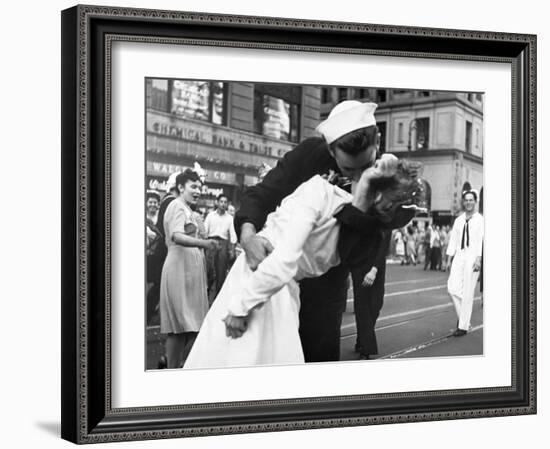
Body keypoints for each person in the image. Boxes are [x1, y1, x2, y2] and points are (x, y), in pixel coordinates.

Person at [184, 158, 423, 368]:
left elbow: (289, 260)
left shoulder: (353, 219)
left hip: (271, 287)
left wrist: (241, 306)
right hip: (267, 283)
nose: (386, 206)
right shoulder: (326, 196)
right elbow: (284, 258)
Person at [233, 100, 404, 362]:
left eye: (364, 166)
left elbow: (367, 246)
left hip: (327, 290)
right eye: (349, 170)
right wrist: (247, 235)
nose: (359, 175)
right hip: (278, 285)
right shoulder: (308, 156)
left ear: (377, 141)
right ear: (330, 149)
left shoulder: (384, 176)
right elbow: (262, 193)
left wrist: (376, 195)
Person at [159, 169, 218, 368]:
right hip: (178, 269)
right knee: (180, 326)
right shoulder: (176, 205)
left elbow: (193, 235)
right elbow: (176, 236)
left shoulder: (189, 210)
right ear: (181, 187)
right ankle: (172, 366)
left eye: (199, 187)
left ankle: (172, 363)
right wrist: (204, 244)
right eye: (193, 186)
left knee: (191, 326)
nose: (198, 190)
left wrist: (201, 234)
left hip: (190, 271)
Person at [445, 190, 484, 336]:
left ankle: (462, 327)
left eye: (471, 200)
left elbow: (481, 241)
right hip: (459, 256)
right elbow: (453, 241)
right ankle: (464, 320)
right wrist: (448, 260)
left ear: (475, 201)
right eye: (466, 200)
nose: (468, 202)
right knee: (452, 288)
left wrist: (479, 259)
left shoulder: (480, 220)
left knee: (468, 293)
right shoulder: (459, 220)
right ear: (463, 202)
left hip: (473, 258)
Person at [351, 230, 391, 360]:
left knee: (376, 304)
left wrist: (374, 269)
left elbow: (384, 245)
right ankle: (366, 348)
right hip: (359, 263)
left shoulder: (386, 214)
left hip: (377, 266)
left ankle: (361, 339)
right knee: (362, 305)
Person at [204, 194, 238, 301]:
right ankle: (205, 295)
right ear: (217, 202)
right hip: (211, 242)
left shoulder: (229, 218)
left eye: (225, 202)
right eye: (221, 202)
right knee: (208, 270)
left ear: (227, 204)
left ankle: (216, 300)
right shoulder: (210, 216)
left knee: (221, 272)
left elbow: (233, 235)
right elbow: (205, 231)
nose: (223, 204)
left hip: (223, 244)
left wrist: (232, 249)